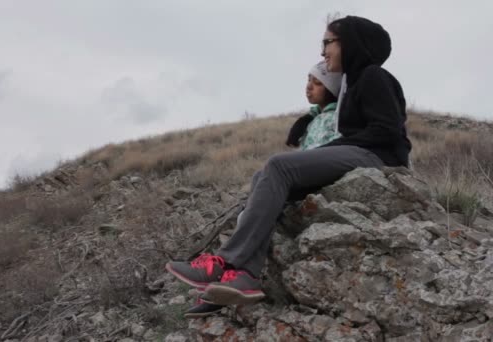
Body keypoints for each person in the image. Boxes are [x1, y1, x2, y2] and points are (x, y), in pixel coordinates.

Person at [167, 15, 412, 312]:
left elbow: (386, 130)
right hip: (361, 154)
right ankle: (243, 278)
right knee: (263, 179)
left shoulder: (373, 75)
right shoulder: (351, 84)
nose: (322, 52)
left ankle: (225, 262)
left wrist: (331, 149)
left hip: (380, 160)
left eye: (327, 42)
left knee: (279, 166)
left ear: (349, 43)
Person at [182, 61, 343, 317]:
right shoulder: (311, 121)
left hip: (320, 181)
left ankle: (227, 267)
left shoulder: (337, 118)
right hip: (302, 180)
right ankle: (235, 280)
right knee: (259, 183)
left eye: (317, 82)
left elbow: (323, 158)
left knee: (268, 180)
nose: (309, 87)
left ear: (332, 88)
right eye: (308, 80)